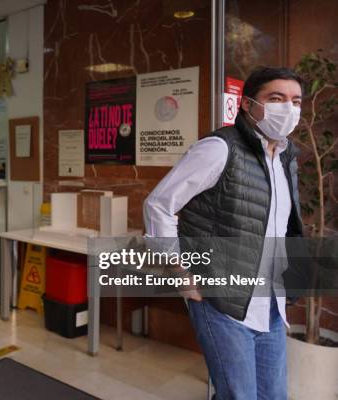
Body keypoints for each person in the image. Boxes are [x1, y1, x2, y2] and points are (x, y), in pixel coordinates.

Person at [143, 67, 305, 399]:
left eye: (296, 101)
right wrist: (180, 275)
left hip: (270, 302)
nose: (288, 108)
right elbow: (158, 204)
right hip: (221, 301)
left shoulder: (287, 156)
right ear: (247, 104)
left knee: (274, 395)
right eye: (276, 99)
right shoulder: (219, 148)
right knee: (238, 395)